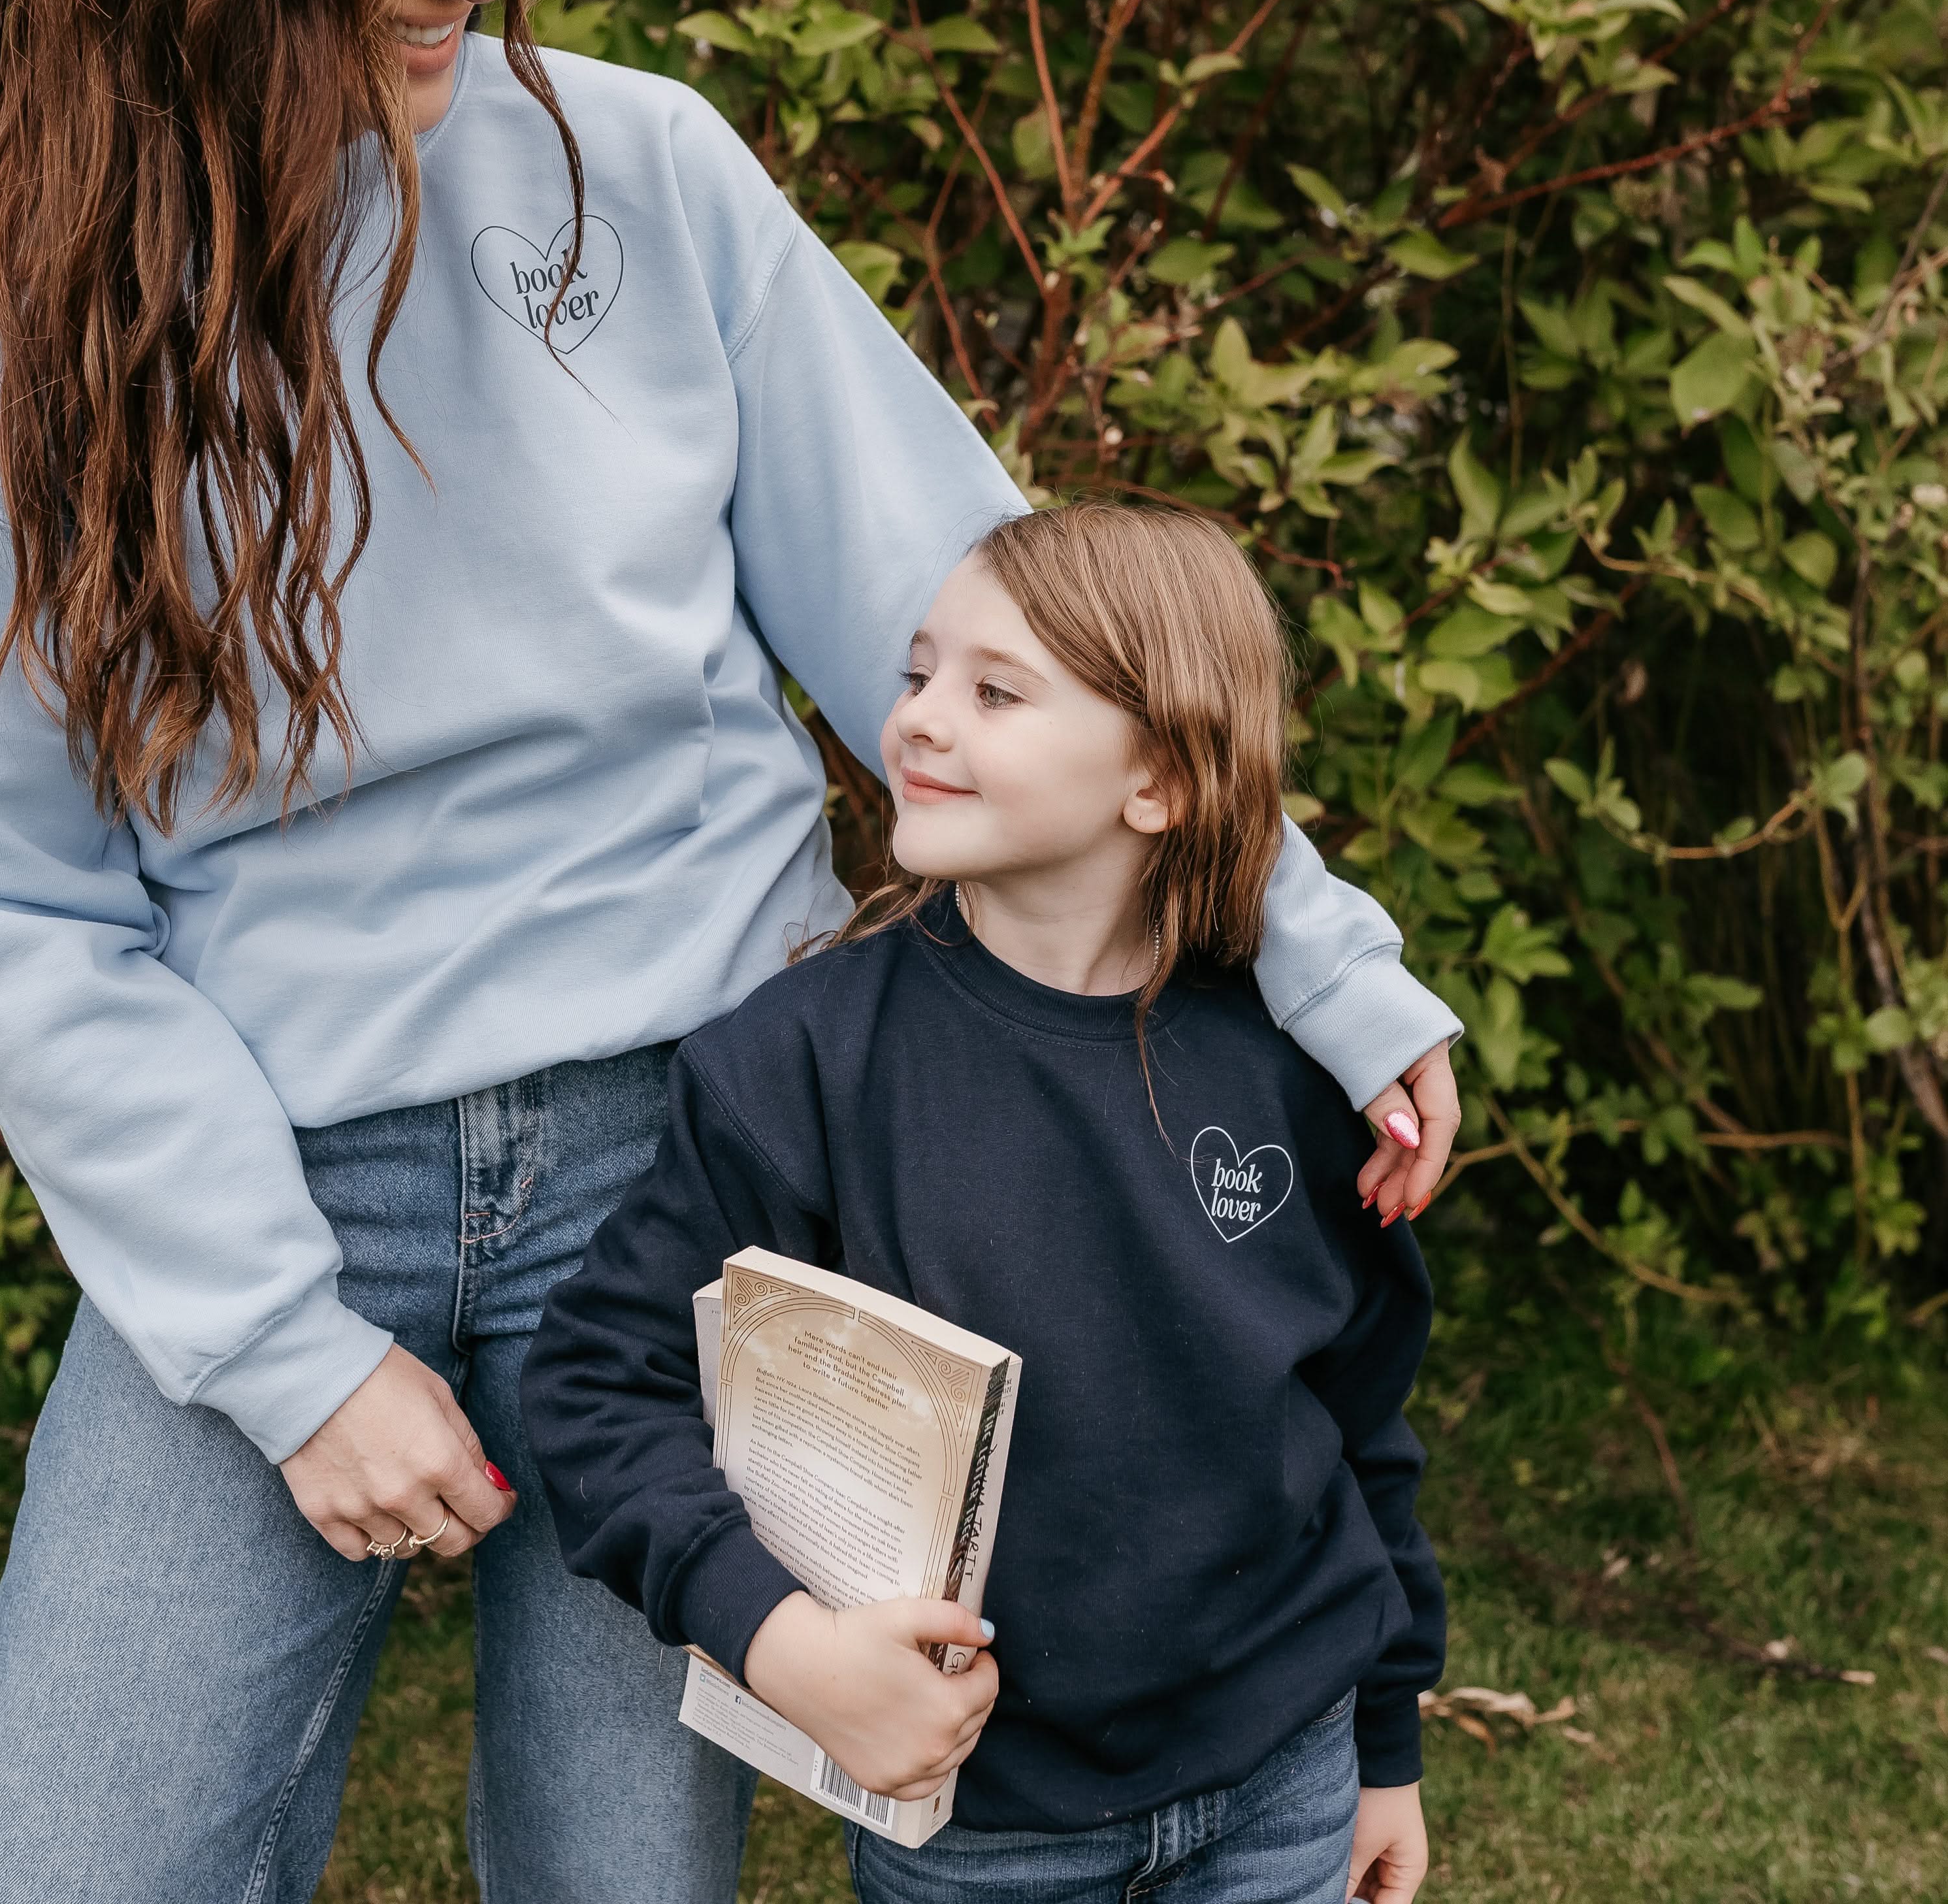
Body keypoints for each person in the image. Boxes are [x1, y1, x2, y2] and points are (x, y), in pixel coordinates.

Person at [0, 0, 1457, 1899]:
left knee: (625, 1882)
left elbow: (1008, 638)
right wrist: (283, 1348)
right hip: (268, 1166)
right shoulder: (30, 286)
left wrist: (1323, 959)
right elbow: (24, 901)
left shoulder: (641, 169)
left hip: (707, 1150)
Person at [523, 501, 1444, 1904]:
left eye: (995, 691)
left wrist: (1386, 1739)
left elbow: (1358, 1417)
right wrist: (776, 1639)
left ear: (1160, 780)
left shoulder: (1294, 1064)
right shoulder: (802, 1063)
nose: (917, 722)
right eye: (914, 674)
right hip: (985, 1829)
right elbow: (597, 1381)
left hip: (1284, 1782)